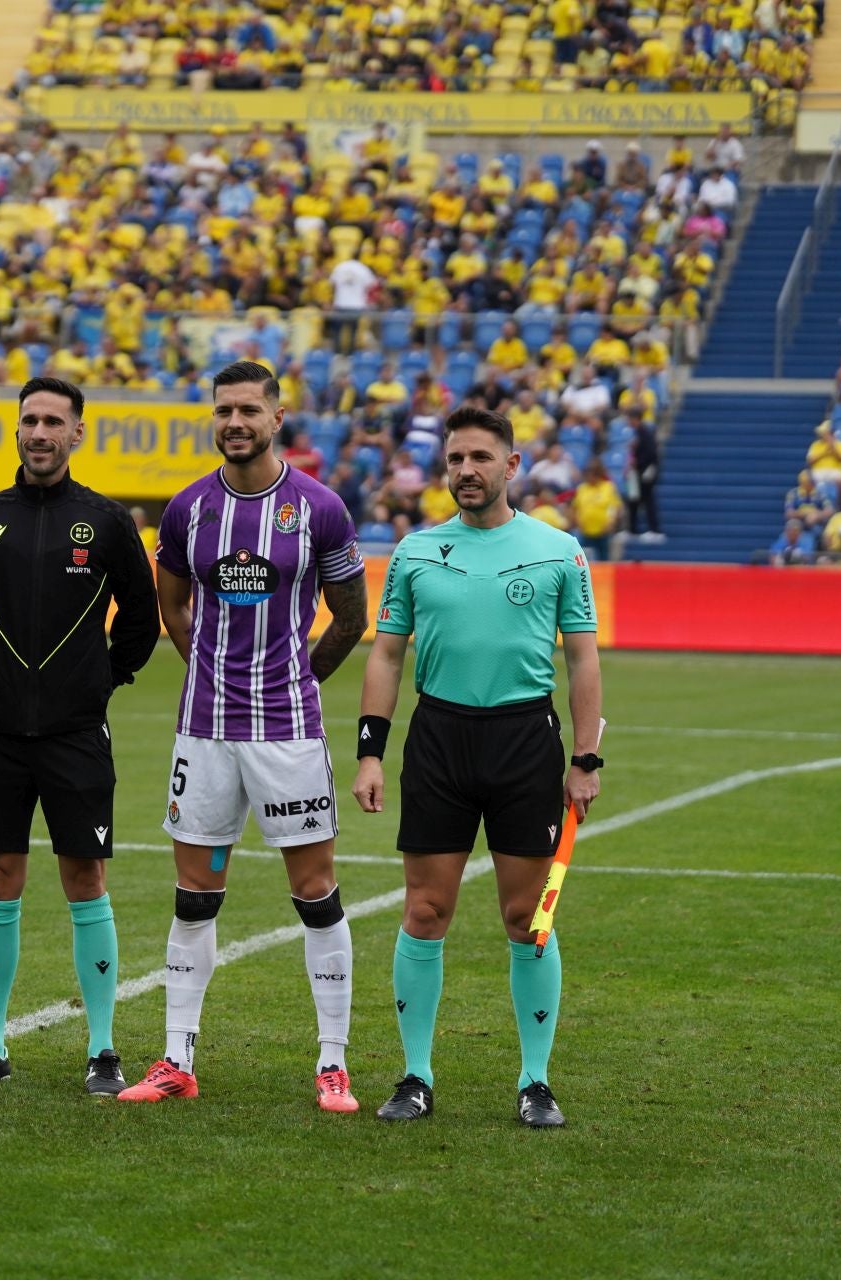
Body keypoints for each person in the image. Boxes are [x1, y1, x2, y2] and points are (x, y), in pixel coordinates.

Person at [117, 360, 370, 1112]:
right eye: (224, 410)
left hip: (288, 732)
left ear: (276, 416)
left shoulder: (320, 509)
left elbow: (351, 617)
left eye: (248, 410)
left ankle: (333, 1064)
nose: (234, 422)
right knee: (195, 896)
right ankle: (175, 1059)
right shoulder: (188, 509)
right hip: (204, 732)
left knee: (315, 894)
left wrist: (298, 680)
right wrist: (209, 672)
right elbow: (173, 606)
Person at [352, 405, 603, 1130]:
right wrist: (371, 751)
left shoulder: (558, 551)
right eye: (456, 458)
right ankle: (416, 1076)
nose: (466, 470)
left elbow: (583, 657)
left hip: (526, 740)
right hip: (439, 739)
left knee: (530, 919)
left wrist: (585, 759)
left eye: (480, 458)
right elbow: (388, 654)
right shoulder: (415, 551)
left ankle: (536, 1082)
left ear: (511, 466)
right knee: (425, 911)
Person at [0, 377, 159, 1094]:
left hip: (74, 733)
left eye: (53, 423)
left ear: (76, 435)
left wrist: (101, 680)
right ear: (18, 431)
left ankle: (102, 1049)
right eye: (30, 420)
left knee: (83, 877)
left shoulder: (105, 520)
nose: (39, 433)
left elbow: (139, 616)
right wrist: (2, 677)